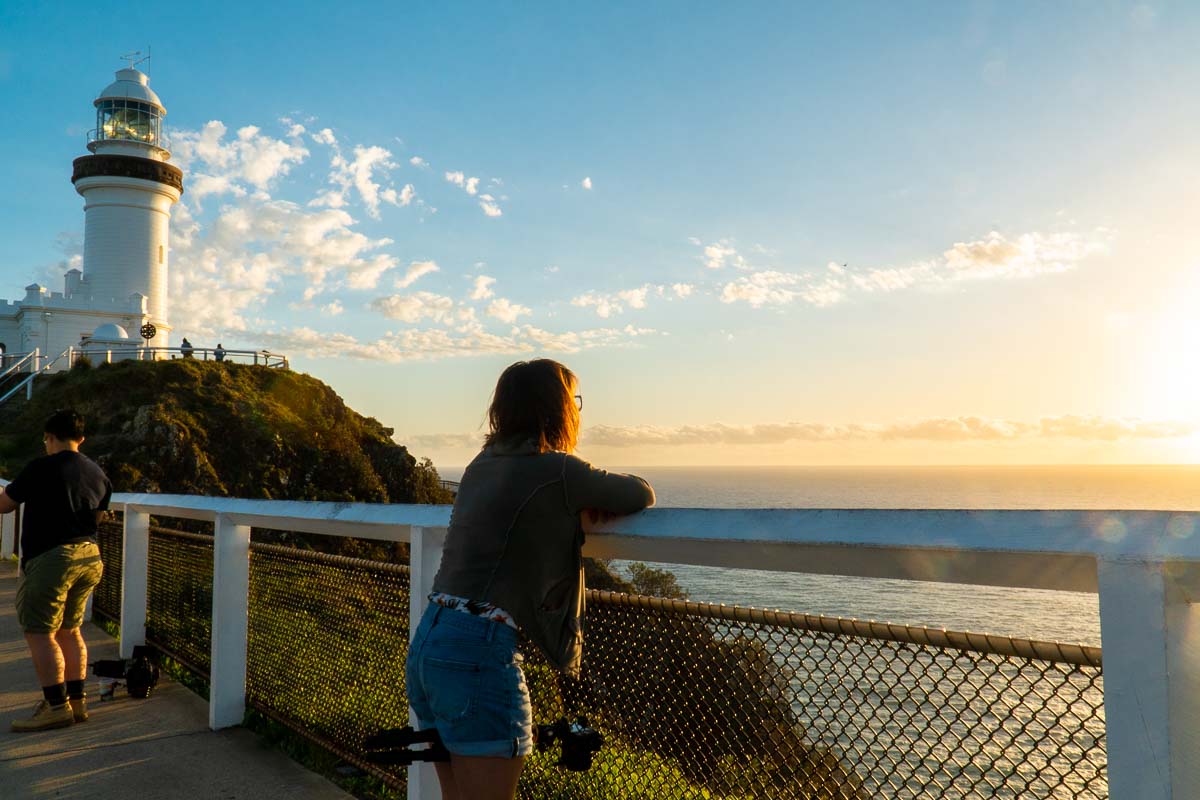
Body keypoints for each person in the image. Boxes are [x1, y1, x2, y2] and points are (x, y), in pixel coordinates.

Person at [406, 359, 654, 800]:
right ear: (559, 408)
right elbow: (639, 492)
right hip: (477, 655)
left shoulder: (480, 465)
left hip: (431, 641)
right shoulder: (558, 469)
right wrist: (578, 500)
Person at [0, 409, 111, 732]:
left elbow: (6, 504)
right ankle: (77, 702)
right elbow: (100, 516)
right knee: (70, 630)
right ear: (81, 439)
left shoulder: (42, 467)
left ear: (49, 437)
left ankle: (56, 706)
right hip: (89, 557)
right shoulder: (97, 472)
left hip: (52, 559)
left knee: (40, 632)